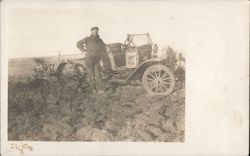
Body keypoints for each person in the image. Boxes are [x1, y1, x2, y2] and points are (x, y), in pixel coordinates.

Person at [76, 27, 112, 93]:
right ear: (91, 32)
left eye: (96, 31)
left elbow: (104, 46)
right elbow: (78, 43)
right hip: (89, 60)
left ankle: (100, 89)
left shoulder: (99, 40)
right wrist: (83, 50)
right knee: (91, 75)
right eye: (94, 31)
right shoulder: (87, 39)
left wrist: (107, 48)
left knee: (98, 74)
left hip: (96, 60)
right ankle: (94, 89)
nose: (95, 32)